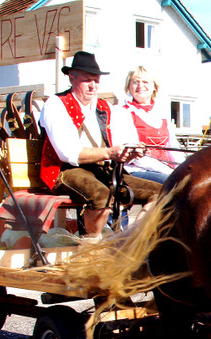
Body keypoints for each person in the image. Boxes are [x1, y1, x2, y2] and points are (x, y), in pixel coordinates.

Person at [38, 51, 163, 236]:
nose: (92, 86)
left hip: (101, 171)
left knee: (160, 192)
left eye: (96, 81)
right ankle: (92, 247)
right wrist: (110, 153)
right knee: (101, 195)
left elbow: (117, 146)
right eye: (87, 80)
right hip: (64, 170)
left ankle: (130, 239)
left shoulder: (104, 107)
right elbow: (68, 153)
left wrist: (129, 153)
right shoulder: (56, 104)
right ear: (72, 78)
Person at [112, 66, 185, 184]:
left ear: (154, 86)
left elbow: (173, 147)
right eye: (135, 82)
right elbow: (135, 156)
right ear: (128, 86)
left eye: (145, 82)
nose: (140, 86)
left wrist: (182, 168)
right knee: (173, 185)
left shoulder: (161, 113)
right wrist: (167, 171)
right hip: (136, 171)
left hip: (167, 170)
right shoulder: (122, 112)